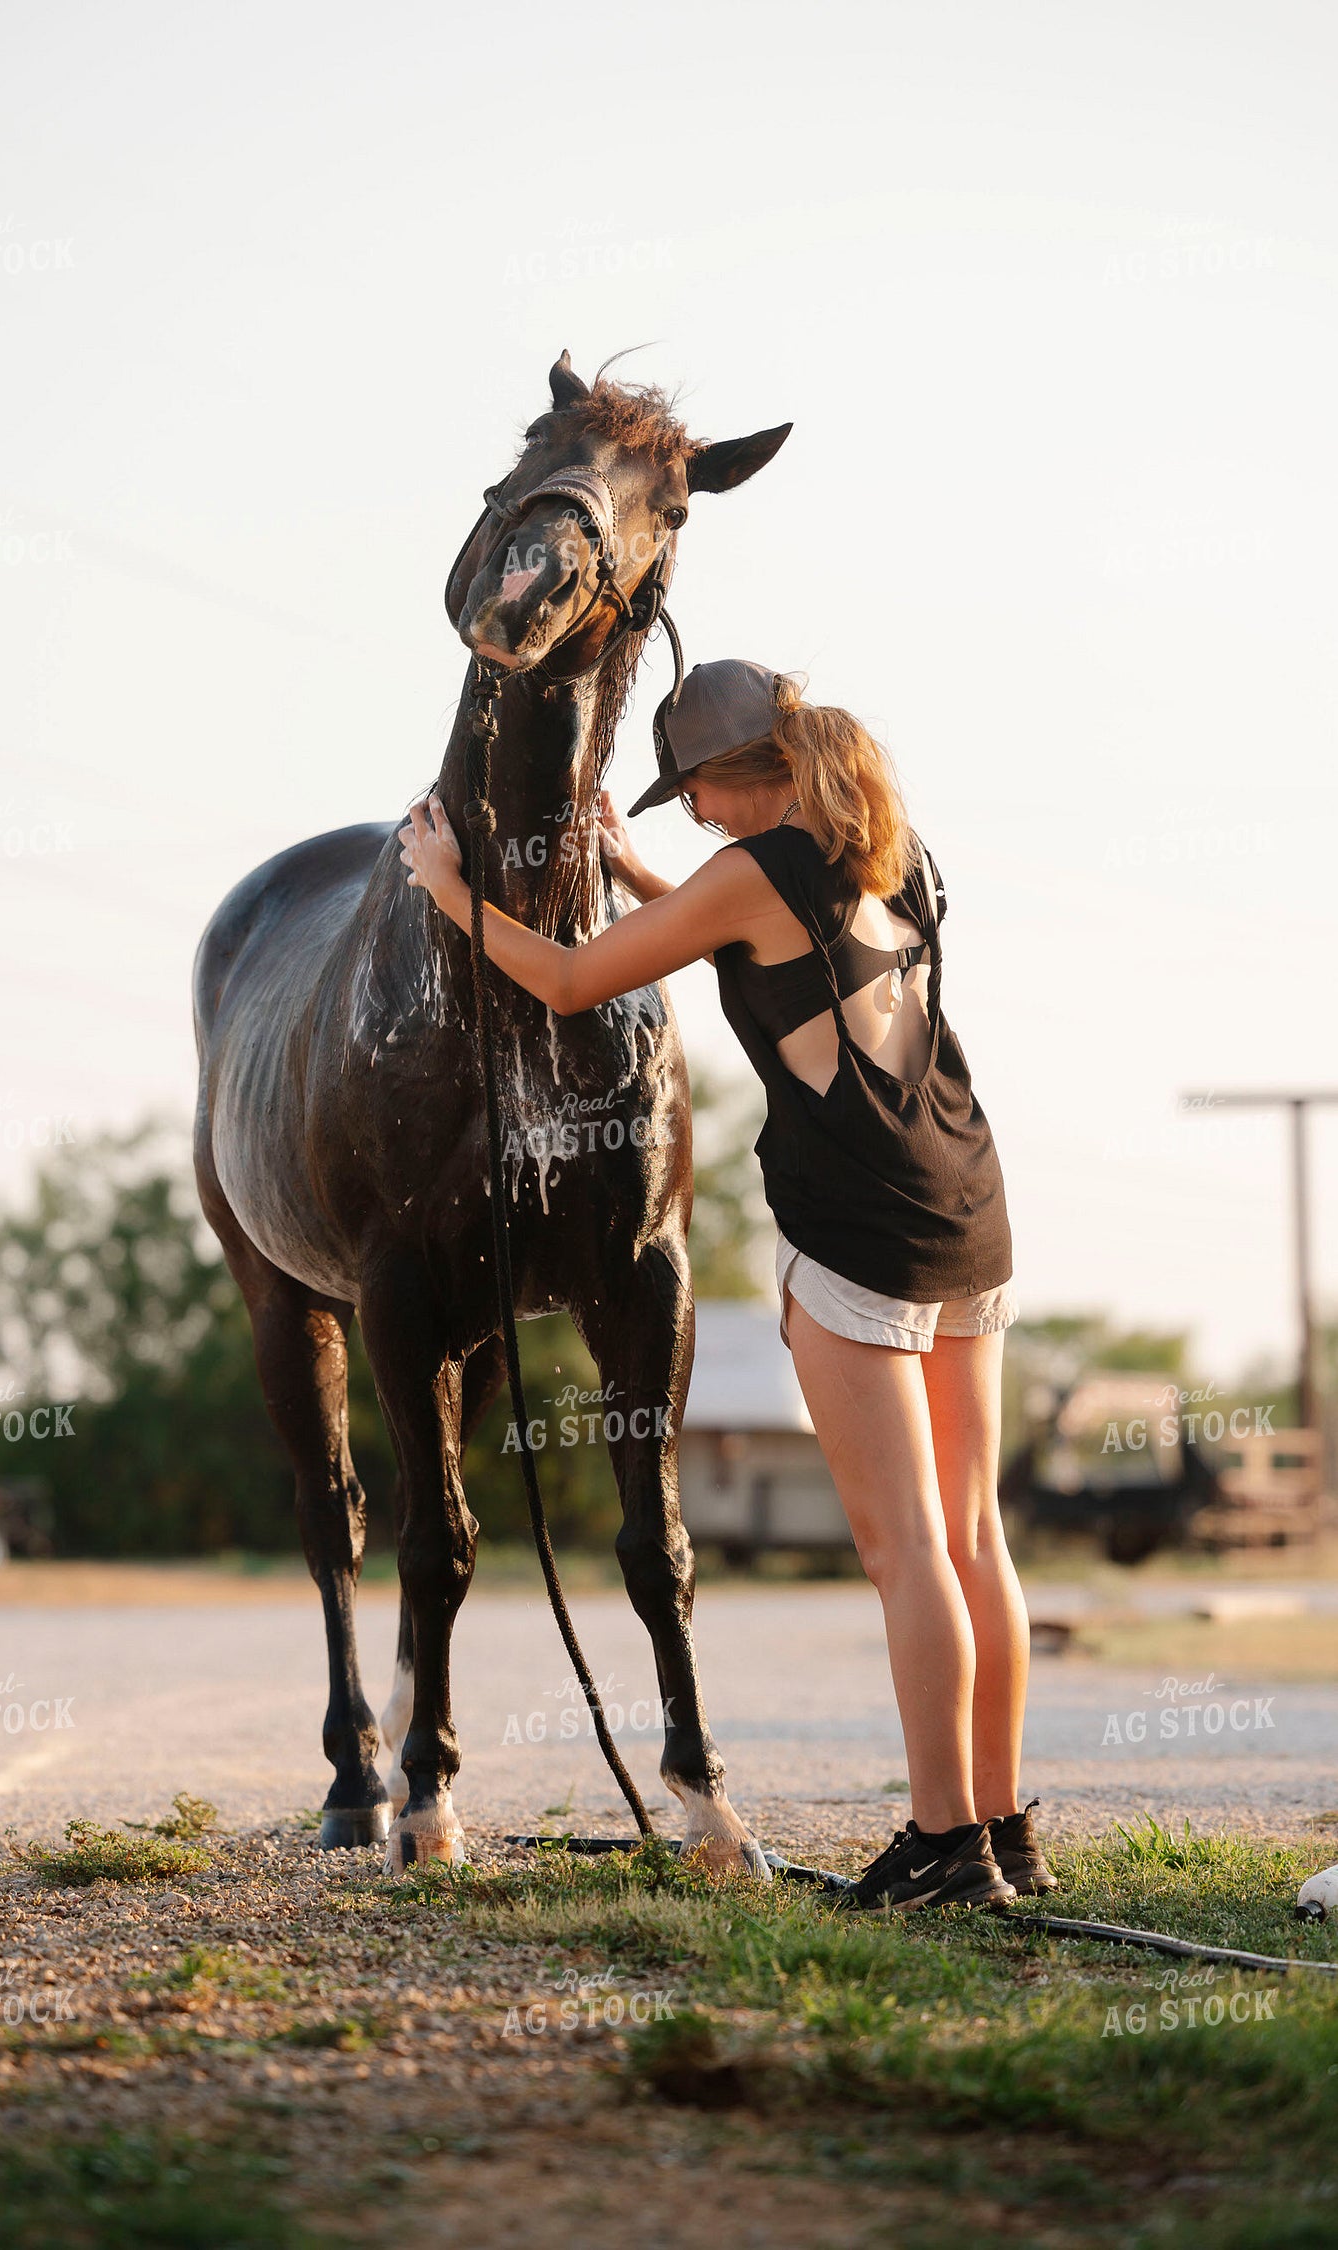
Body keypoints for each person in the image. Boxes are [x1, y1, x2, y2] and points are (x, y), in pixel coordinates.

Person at [398, 658, 1054, 1911]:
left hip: (856, 1234)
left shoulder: (747, 873)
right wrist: (653, 880)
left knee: (904, 1546)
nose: (691, 822)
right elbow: (751, 941)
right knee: (975, 1540)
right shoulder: (889, 850)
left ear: (723, 780)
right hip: (969, 1207)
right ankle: (1001, 1828)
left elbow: (579, 977)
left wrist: (450, 896)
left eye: (691, 800)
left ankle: (941, 1851)